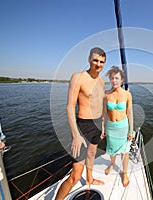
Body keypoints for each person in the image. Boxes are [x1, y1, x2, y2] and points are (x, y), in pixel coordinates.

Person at [55, 47, 106, 200]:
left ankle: (90, 178)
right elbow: (70, 106)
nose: (98, 64)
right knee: (75, 176)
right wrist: (76, 135)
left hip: (97, 125)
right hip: (83, 126)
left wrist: (102, 124)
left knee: (91, 154)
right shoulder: (78, 77)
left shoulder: (101, 81)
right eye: (95, 60)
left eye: (102, 62)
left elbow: (101, 103)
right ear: (89, 60)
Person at [101, 66, 134, 187]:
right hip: (110, 126)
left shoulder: (127, 95)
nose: (114, 80)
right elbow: (104, 112)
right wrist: (103, 127)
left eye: (116, 78)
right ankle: (112, 164)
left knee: (125, 152)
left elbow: (130, 113)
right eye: (112, 78)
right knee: (111, 149)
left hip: (123, 126)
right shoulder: (106, 94)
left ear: (122, 80)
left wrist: (131, 130)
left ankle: (124, 173)